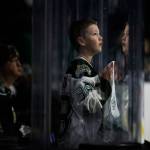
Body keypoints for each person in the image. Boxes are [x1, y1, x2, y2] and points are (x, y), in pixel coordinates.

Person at [59, 19, 119, 149]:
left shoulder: (84, 68)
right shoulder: (80, 68)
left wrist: (101, 78)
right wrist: (105, 81)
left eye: (99, 33)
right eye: (95, 34)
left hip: (81, 140)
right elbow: (91, 104)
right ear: (81, 41)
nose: (100, 37)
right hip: (77, 142)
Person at [0, 44, 31, 138]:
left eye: (19, 60)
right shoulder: (2, 96)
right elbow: (10, 129)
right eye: (14, 60)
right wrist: (30, 131)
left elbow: (15, 123)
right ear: (3, 64)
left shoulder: (10, 92)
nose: (19, 64)